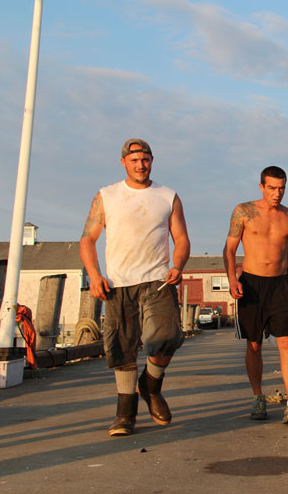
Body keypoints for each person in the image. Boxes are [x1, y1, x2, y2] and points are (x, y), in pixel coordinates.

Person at [80, 138, 190, 437]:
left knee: (167, 337)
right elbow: (88, 240)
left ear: (152, 160)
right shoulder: (107, 195)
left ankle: (151, 384)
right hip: (118, 283)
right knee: (122, 348)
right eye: (134, 160)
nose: (141, 165)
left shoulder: (167, 196)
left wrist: (177, 266)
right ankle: (124, 414)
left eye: (145, 159)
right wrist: (94, 275)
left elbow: (181, 239)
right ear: (123, 163)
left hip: (157, 280)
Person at [222, 166, 288, 425]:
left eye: (281, 188)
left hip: (281, 286)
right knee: (254, 344)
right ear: (261, 187)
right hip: (252, 285)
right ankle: (258, 396)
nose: (277, 193)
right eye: (271, 188)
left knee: (286, 344)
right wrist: (232, 279)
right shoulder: (243, 211)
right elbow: (229, 249)